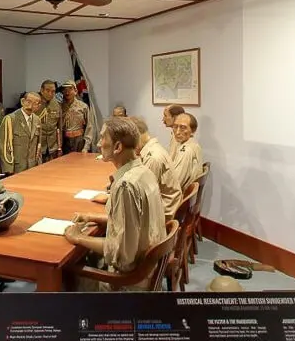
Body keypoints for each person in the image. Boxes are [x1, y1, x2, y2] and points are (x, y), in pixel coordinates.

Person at [65, 117, 166, 291]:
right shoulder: (144, 172)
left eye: (103, 138)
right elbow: (133, 225)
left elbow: (122, 255)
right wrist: (92, 217)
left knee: (64, 270)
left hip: (126, 284)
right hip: (147, 268)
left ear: (118, 147)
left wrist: (78, 237)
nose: (98, 143)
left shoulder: (126, 186)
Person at [0, 92, 42, 174]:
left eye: (34, 104)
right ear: (22, 101)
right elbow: (3, 147)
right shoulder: (11, 119)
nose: (30, 106)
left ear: (38, 107)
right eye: (28, 102)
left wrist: (39, 165)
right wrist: (8, 169)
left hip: (32, 167)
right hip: (16, 168)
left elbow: (38, 145)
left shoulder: (37, 120)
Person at [61, 79, 94, 154]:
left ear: (75, 91)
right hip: (65, 141)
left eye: (70, 89)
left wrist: (86, 146)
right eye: (65, 90)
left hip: (79, 141)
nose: (67, 92)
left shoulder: (83, 106)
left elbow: (89, 126)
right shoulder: (60, 107)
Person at [171, 113, 203, 190]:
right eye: (175, 127)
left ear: (193, 131)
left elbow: (175, 184)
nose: (177, 132)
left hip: (178, 197)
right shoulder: (194, 144)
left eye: (183, 128)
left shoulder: (186, 151)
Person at [35, 79, 62, 162]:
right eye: (48, 90)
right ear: (42, 90)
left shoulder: (57, 104)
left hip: (52, 146)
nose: (50, 94)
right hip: (37, 145)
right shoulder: (34, 103)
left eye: (53, 91)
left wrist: (60, 147)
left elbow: (59, 127)